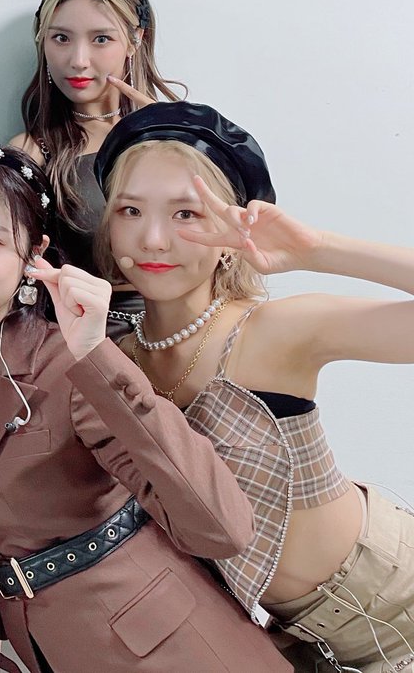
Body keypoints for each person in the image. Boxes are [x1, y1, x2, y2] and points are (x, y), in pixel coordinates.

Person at [0, 141, 290, 672]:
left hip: (175, 649)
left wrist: (97, 356)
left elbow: (221, 529)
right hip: (49, 650)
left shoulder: (69, 363)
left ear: (33, 255)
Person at [95, 101, 414, 673]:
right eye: (131, 210)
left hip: (397, 598)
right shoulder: (112, 356)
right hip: (298, 637)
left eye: (187, 213)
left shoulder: (270, 332)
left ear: (231, 233)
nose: (154, 239)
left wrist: (317, 249)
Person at [11, 0, 180, 336]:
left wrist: (176, 138)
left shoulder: (179, 136)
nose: (78, 60)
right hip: (82, 343)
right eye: (61, 38)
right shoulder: (32, 152)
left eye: (101, 39)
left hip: (188, 338)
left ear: (135, 39)